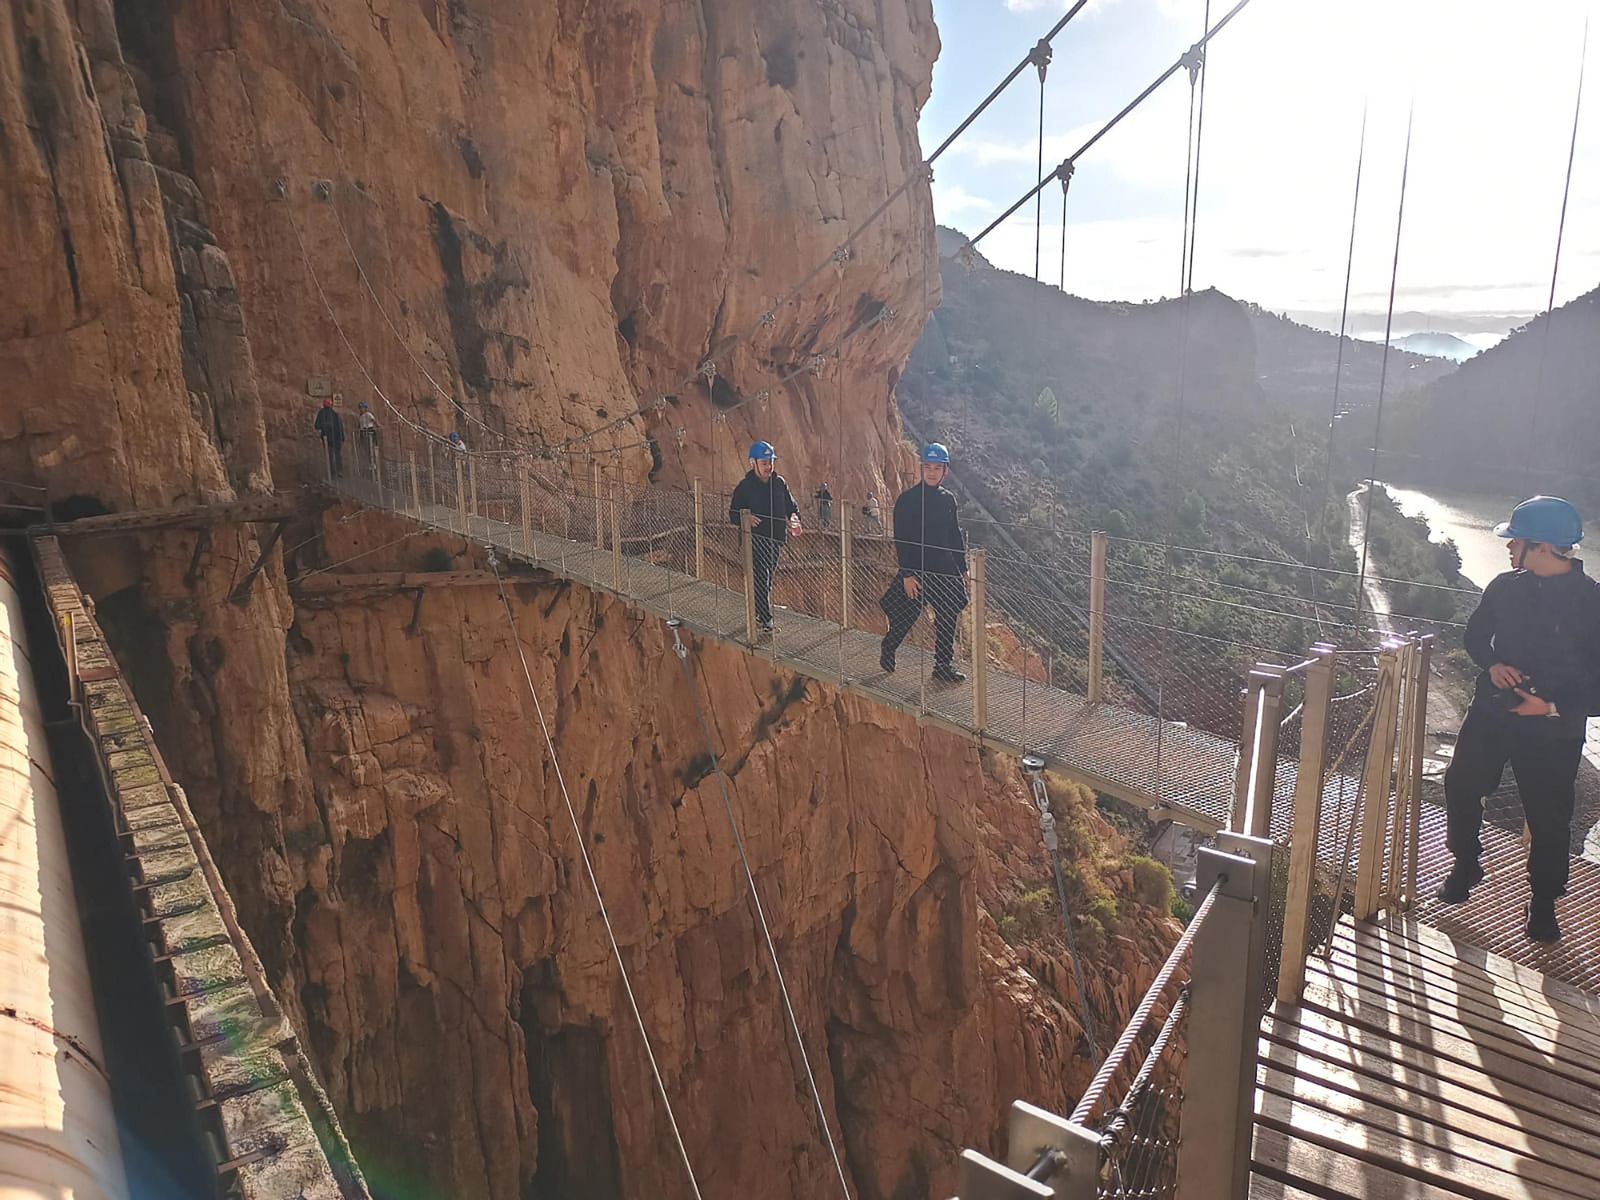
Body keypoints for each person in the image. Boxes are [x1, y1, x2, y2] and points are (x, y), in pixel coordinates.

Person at [1437, 496, 1600, 942]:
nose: (1509, 548)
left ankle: (1543, 903)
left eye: (1515, 541)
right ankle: (1466, 862)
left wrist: (1547, 707)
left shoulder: (1593, 604)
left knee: (1549, 816)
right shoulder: (1505, 586)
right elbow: (1475, 637)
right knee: (1461, 784)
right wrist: (1491, 665)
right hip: (1493, 711)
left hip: (1553, 729)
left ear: (1542, 546)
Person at [880, 443, 969, 682]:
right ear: (922, 468)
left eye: (937, 467)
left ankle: (942, 665)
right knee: (906, 615)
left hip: (943, 568)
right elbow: (902, 538)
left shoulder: (948, 500)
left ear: (945, 471)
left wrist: (963, 568)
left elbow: (954, 534)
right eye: (928, 467)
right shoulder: (907, 500)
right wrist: (908, 574)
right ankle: (888, 647)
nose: (932, 472)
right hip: (916, 570)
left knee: (948, 614)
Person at [728, 440, 798, 633]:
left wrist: (794, 520)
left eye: (770, 462)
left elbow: (792, 507)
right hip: (755, 541)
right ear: (753, 463)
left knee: (767, 579)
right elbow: (733, 513)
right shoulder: (745, 487)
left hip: (775, 540)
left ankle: (759, 614)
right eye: (764, 462)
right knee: (762, 576)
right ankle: (766, 621)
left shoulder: (779, 483)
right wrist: (746, 518)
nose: (769, 466)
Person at [314, 396, 344, 477]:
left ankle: (332, 473)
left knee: (330, 455)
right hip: (337, 438)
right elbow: (340, 426)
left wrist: (323, 428)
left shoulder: (321, 414)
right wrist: (342, 438)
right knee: (337, 454)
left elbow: (317, 425)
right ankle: (339, 471)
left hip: (327, 438)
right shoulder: (335, 414)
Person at [356, 399, 379, 475]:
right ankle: (370, 463)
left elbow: (374, 420)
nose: (361, 409)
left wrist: (377, 426)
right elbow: (359, 426)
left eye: (362, 408)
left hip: (369, 430)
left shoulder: (368, 414)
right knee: (366, 448)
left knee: (371, 447)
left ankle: (374, 463)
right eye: (360, 408)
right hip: (363, 431)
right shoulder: (360, 417)